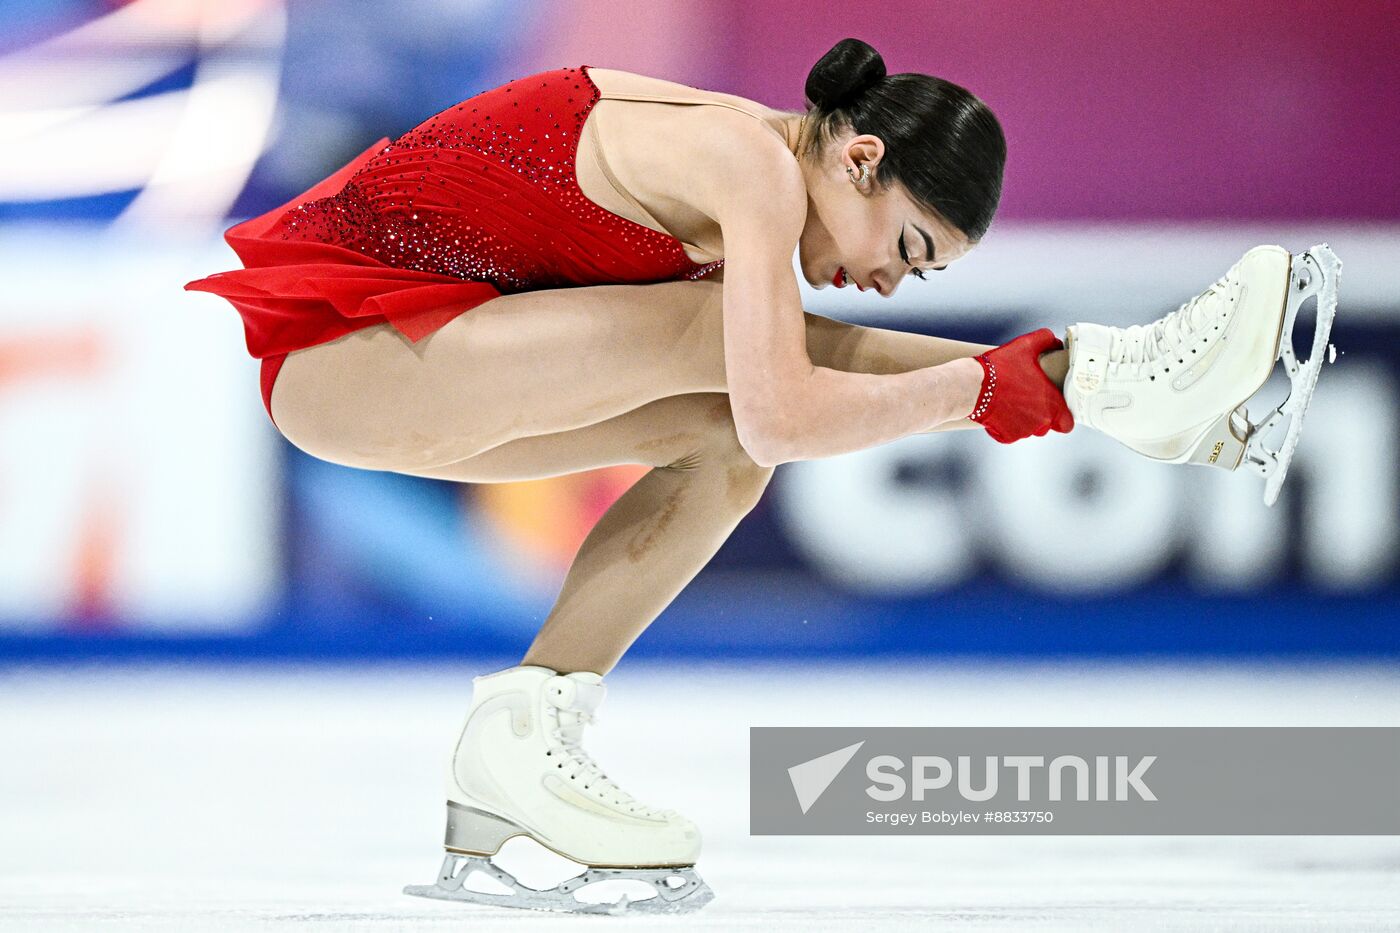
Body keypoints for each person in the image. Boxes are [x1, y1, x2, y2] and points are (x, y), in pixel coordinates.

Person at [184, 37, 1337, 914]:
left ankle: (519, 739)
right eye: (910, 248)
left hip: (406, 362)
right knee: (734, 376)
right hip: (349, 356)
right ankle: (1114, 379)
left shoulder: (758, 171)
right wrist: (1004, 388)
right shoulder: (748, 166)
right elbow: (790, 408)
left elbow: (764, 421)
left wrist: (1022, 386)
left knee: (725, 441)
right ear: (861, 156)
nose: (892, 282)